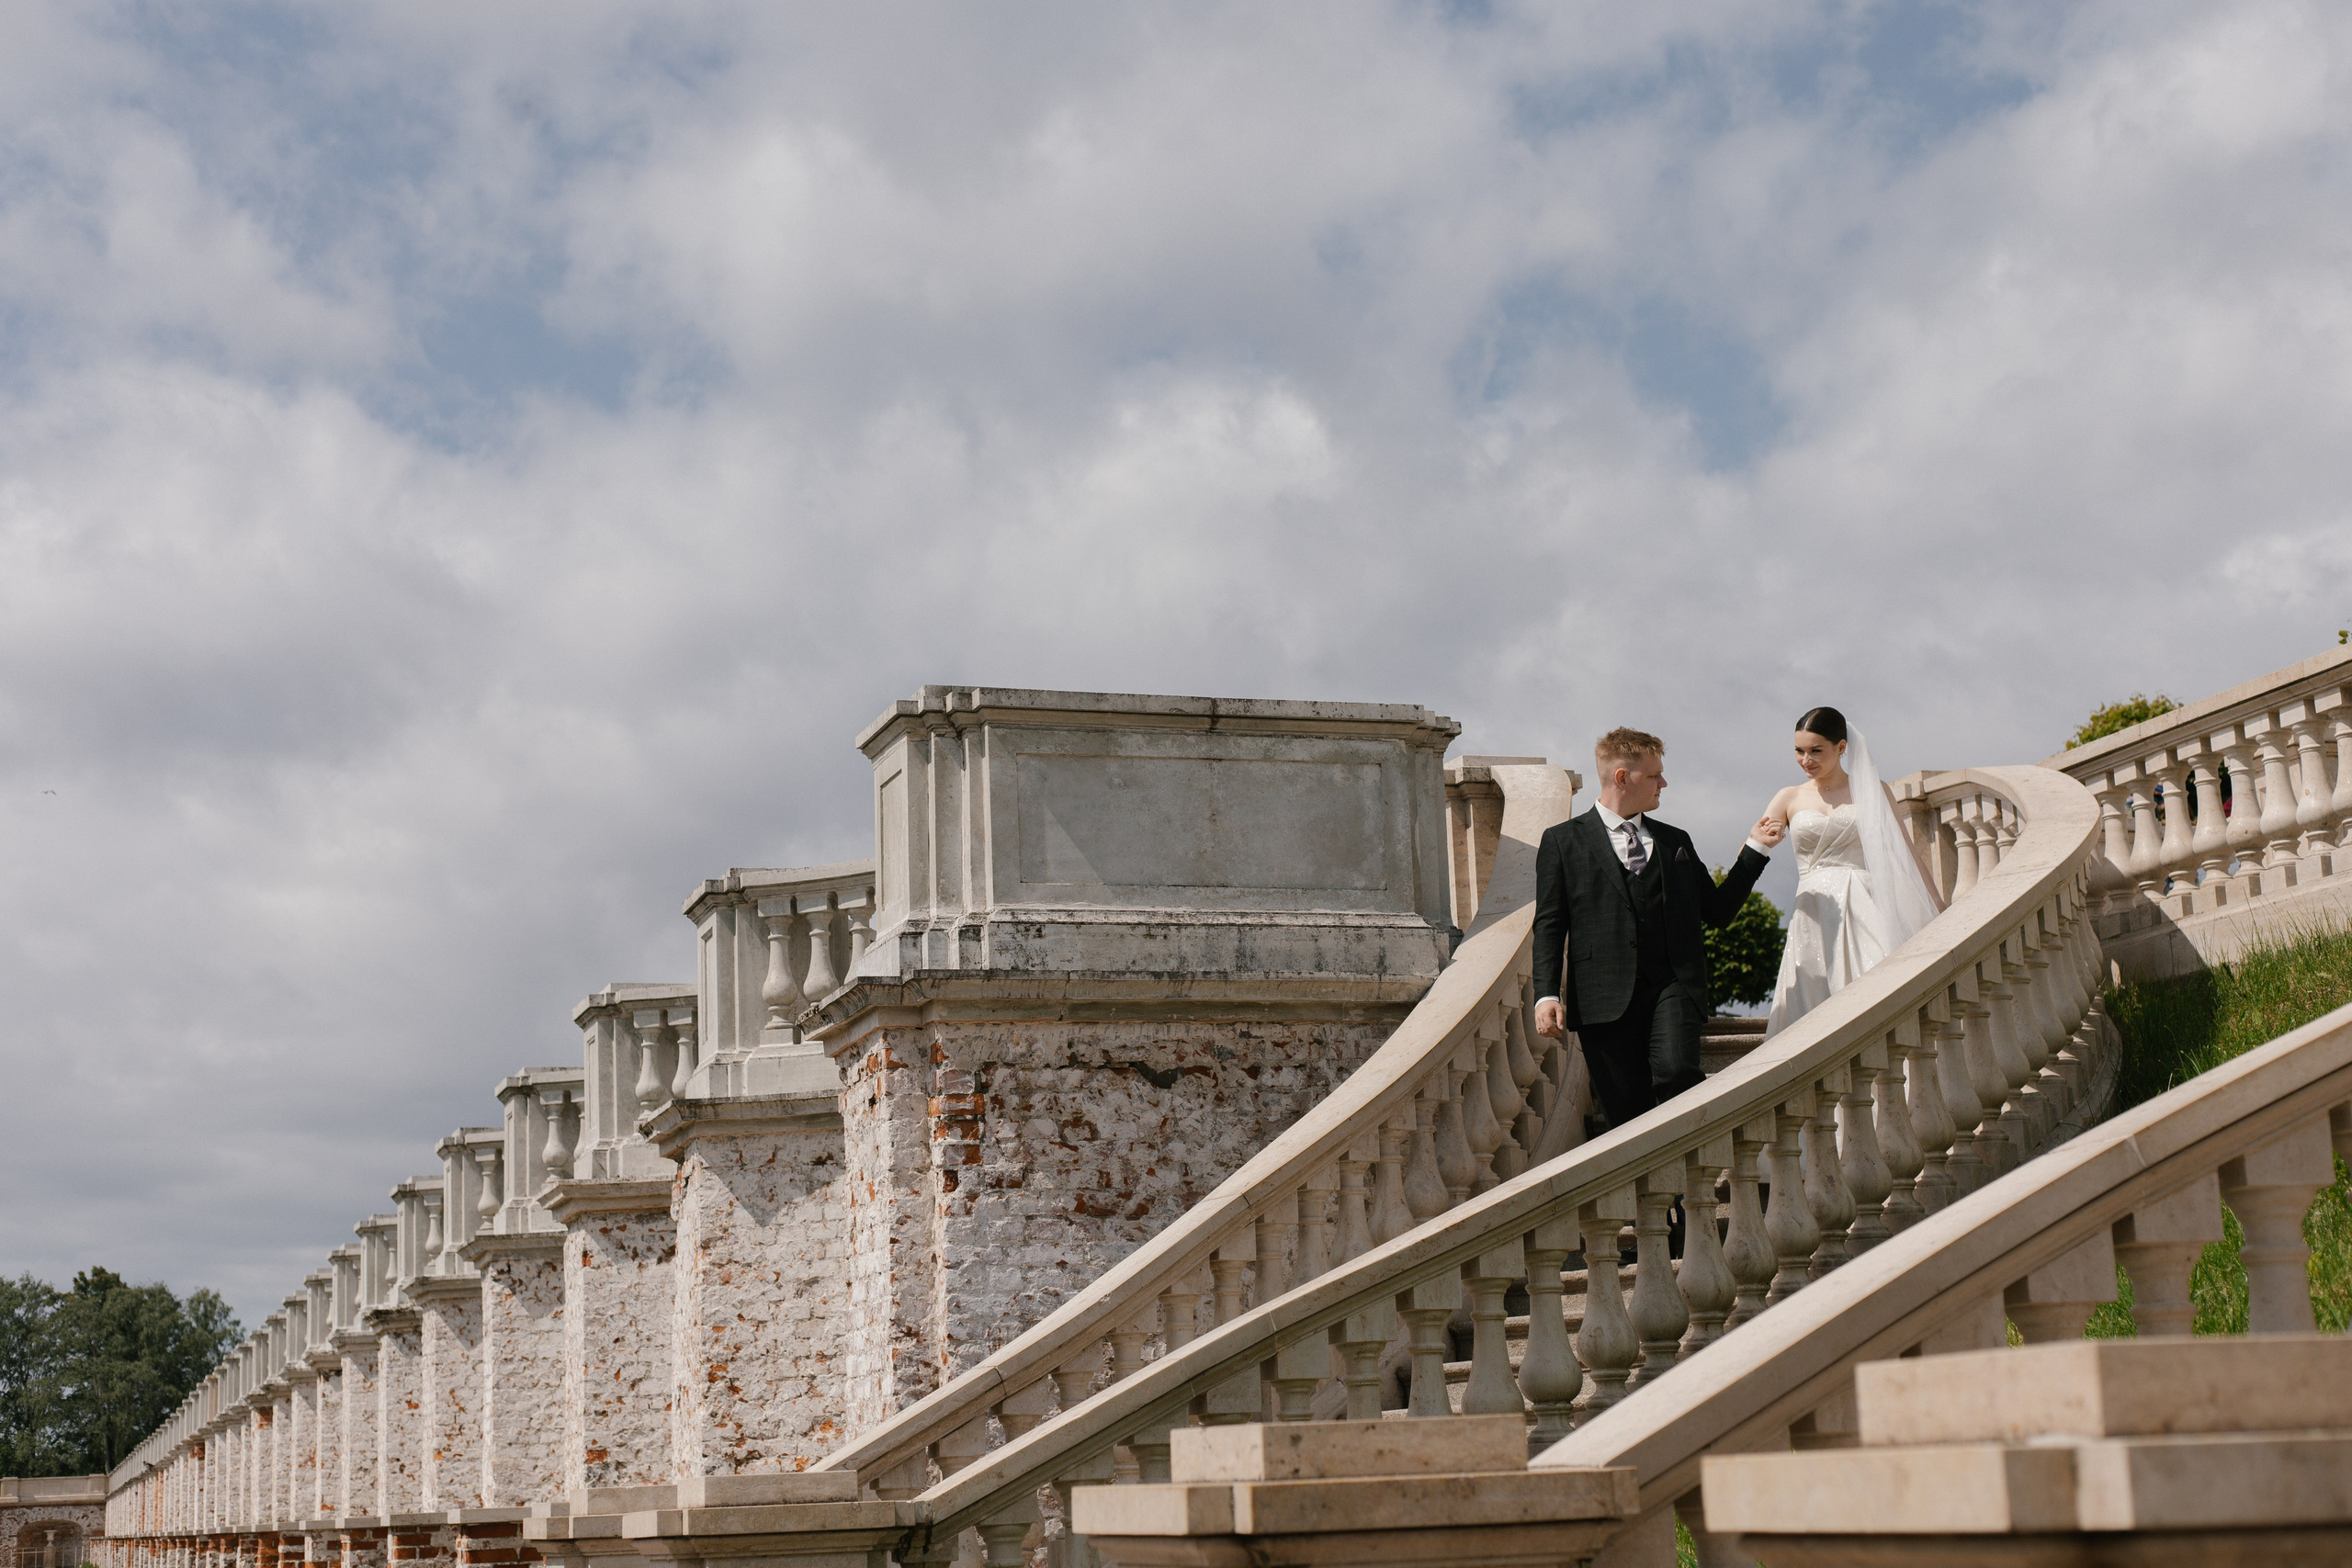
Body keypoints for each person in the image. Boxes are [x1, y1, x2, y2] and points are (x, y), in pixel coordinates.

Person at [1533, 728, 1783, 1133]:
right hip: (1602, 998)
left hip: (1673, 986)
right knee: (1625, 1112)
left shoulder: (1674, 841)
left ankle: (1687, 1184)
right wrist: (1545, 993)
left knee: (1676, 1073)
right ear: (1622, 778)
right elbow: (1549, 923)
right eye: (1654, 776)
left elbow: (1717, 912)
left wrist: (1755, 850)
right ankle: (1661, 1197)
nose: (1663, 783)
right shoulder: (1563, 841)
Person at [1757, 706, 1945, 1036]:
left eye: (1816, 751)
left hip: (1867, 905)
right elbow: (1752, 847)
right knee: (1813, 1007)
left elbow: (1907, 853)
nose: (1806, 760)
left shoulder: (1875, 790)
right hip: (1814, 912)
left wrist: (1938, 909)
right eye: (1799, 751)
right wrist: (1765, 842)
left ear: (1842, 748)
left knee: (1877, 993)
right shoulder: (1788, 797)